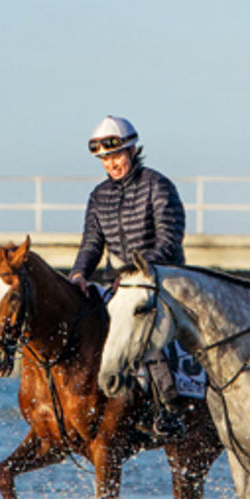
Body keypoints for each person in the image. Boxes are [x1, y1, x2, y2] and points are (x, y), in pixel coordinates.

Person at [70, 115, 188, 441]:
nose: (111, 164)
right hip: (118, 288)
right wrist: (79, 273)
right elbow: (91, 245)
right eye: (105, 159)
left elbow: (170, 239)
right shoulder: (97, 197)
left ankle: (169, 408)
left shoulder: (158, 185)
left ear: (133, 150)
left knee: (140, 328)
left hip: (161, 281)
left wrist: (136, 270)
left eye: (116, 155)